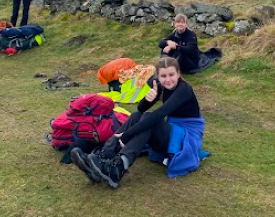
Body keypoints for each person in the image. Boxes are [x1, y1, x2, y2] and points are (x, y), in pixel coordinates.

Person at [70, 57, 209, 189]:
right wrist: (149, 98)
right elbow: (140, 109)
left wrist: (127, 135)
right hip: (173, 132)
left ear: (178, 74)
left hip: (186, 139)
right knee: (138, 116)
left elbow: (158, 115)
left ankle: (118, 168)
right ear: (158, 77)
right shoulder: (160, 87)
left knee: (151, 120)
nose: (168, 80)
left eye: (171, 75)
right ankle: (103, 156)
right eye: (163, 76)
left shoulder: (184, 89)